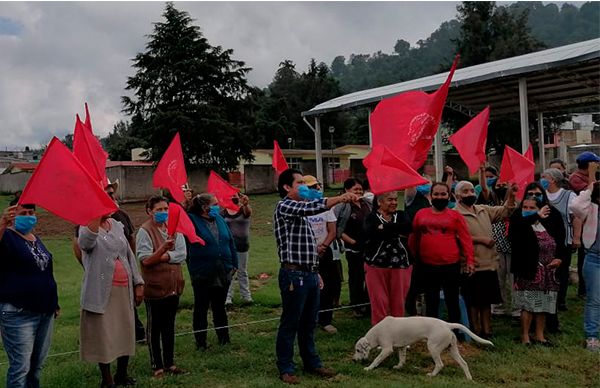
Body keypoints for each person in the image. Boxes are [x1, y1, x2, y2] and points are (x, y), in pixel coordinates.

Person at [274, 168, 357, 384]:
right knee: (290, 323)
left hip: (309, 273)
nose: (305, 186)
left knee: (309, 323)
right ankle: (286, 367)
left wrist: (315, 271)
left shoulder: (300, 209)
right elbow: (315, 206)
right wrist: (341, 197)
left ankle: (312, 363)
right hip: (294, 274)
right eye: (300, 182)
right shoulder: (285, 206)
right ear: (287, 187)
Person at [73, 179, 146, 342]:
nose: (110, 197)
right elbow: (82, 244)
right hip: (103, 286)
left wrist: (136, 280)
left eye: (111, 194)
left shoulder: (118, 221)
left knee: (125, 326)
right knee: (103, 330)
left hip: (124, 285)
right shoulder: (87, 223)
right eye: (104, 194)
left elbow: (128, 250)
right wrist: (91, 268)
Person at [78, 213, 145, 388]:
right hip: (101, 292)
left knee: (125, 330)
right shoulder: (86, 226)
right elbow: (86, 243)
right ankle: (107, 380)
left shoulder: (116, 224)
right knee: (104, 334)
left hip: (123, 290)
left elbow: (128, 254)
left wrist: (138, 282)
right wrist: (94, 216)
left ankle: (122, 374)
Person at [0, 204, 58, 388]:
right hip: (18, 312)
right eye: (23, 213)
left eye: (31, 213)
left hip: (44, 311)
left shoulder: (35, 239)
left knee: (35, 367)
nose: (28, 216)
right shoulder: (7, 237)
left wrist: (54, 302)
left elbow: (46, 272)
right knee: (20, 368)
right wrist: (2, 225)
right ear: (13, 216)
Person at [454, 180, 517, 339]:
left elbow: (505, 211)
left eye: (471, 191)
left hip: (489, 263)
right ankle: (475, 330)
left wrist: (511, 194)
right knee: (473, 300)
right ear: (458, 196)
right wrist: (480, 239)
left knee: (487, 300)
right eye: (465, 192)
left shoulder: (483, 209)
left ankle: (487, 330)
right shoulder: (455, 214)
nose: (470, 194)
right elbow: (456, 236)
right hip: (471, 264)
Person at [410, 183, 475, 326]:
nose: (439, 197)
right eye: (436, 194)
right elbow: (414, 237)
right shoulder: (421, 214)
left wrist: (470, 261)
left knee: (452, 301)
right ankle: (432, 333)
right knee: (431, 300)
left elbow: (466, 240)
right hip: (427, 265)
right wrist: (414, 257)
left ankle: (455, 333)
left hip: (450, 265)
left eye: (443, 194)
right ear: (431, 196)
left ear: (449, 195)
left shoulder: (455, 216)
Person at [136, 195, 187, 378]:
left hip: (173, 286)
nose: (163, 213)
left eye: (166, 209)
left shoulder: (174, 228)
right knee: (155, 327)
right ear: (150, 211)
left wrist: (166, 257)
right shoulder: (145, 231)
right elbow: (146, 259)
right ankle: (156, 365)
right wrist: (163, 250)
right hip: (155, 288)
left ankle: (170, 363)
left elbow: (182, 254)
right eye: (159, 210)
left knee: (169, 327)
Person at [509, 192, 565, 346]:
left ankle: (540, 336)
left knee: (543, 305)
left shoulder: (546, 223)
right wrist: (534, 216)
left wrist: (558, 258)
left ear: (540, 208)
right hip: (529, 270)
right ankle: (525, 337)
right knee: (528, 305)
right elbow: (515, 235)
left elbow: (559, 241)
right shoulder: (519, 222)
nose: (528, 209)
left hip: (548, 271)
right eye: (525, 207)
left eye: (532, 207)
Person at [187, 193, 238, 350]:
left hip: (223, 269)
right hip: (202, 270)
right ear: (204, 207)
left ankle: (224, 338)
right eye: (214, 204)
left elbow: (230, 241)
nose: (218, 206)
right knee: (201, 306)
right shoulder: (192, 220)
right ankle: (201, 342)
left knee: (219, 306)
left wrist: (234, 263)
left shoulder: (220, 219)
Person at [364, 191, 413, 326]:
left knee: (398, 301)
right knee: (379, 300)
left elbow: (408, 228)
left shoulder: (401, 215)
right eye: (390, 200)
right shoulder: (372, 217)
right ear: (380, 202)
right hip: (376, 265)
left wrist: (384, 227)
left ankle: (399, 335)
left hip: (401, 265)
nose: (394, 203)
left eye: (396, 200)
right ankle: (381, 335)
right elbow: (371, 233)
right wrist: (395, 231)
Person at [303, 175, 341, 334]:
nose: (317, 189)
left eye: (318, 187)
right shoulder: (298, 208)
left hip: (326, 252)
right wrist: (313, 248)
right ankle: (308, 319)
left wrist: (324, 245)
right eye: (312, 188)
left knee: (329, 287)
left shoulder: (326, 207)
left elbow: (332, 230)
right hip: (306, 253)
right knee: (308, 288)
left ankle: (326, 320)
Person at [569, 162, 600, 352]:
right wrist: (591, 182)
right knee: (595, 299)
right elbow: (576, 206)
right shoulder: (592, 208)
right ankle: (592, 337)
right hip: (595, 258)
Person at [476, 165, 514, 316]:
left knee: (513, 280)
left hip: (512, 247)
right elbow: (484, 188)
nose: (501, 187)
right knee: (498, 280)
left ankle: (517, 310)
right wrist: (481, 172)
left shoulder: (513, 201)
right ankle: (498, 308)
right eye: (498, 185)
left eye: (504, 185)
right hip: (495, 247)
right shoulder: (490, 200)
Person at [542, 168, 582, 312]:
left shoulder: (568, 195)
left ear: (552, 180)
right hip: (544, 241)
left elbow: (575, 217)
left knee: (562, 271)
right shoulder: (541, 195)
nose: (542, 179)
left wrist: (576, 237)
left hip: (563, 240)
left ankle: (560, 300)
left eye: (544, 177)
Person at [333, 177, 371, 318]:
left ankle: (368, 305)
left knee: (369, 277)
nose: (359, 192)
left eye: (360, 189)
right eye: (355, 189)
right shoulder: (342, 206)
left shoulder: (366, 203)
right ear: (347, 190)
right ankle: (356, 305)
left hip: (368, 247)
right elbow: (337, 229)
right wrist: (353, 242)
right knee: (356, 277)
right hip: (353, 247)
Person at [569, 151, 600, 298]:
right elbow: (591, 194)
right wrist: (593, 175)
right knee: (584, 259)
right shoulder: (576, 178)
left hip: (592, 223)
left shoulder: (589, 177)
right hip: (582, 224)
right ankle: (584, 289)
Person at [223, 192, 253, 305]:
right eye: (231, 195)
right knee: (230, 272)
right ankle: (228, 297)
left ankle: (246, 296)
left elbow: (248, 212)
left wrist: (246, 204)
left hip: (242, 246)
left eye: (235, 195)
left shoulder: (244, 210)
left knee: (242, 271)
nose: (233, 197)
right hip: (229, 247)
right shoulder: (223, 212)